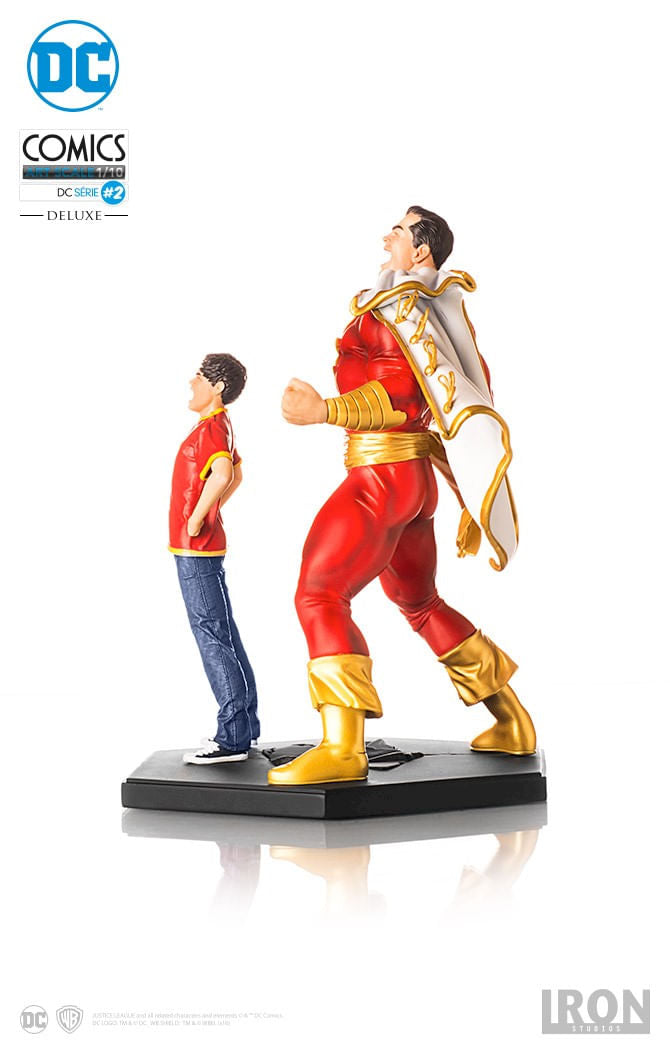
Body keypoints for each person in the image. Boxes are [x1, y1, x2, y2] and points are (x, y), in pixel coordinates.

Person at [268, 206, 536, 786]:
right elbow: (434, 400)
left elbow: (399, 400)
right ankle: (512, 722)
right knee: (420, 603)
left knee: (319, 594)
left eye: (399, 229)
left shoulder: (399, 311)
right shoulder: (419, 307)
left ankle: (343, 748)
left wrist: (325, 411)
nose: (386, 235)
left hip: (381, 479)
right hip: (412, 483)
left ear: (421, 251)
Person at [169, 354, 259, 764]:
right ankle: (245, 726)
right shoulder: (217, 425)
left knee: (211, 633)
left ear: (218, 387)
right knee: (222, 631)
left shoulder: (212, 429)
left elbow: (223, 474)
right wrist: (211, 510)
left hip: (196, 547)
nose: (192, 382)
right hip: (201, 545)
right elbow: (235, 474)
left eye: (200, 377)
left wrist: (196, 518)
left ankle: (233, 737)